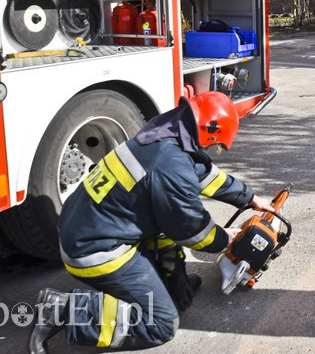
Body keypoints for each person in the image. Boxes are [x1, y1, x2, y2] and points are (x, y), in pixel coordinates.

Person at [28, 92, 274, 354]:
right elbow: (193, 231)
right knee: (161, 324)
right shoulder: (170, 165)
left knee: (165, 229)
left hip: (86, 229)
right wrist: (228, 238)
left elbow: (203, 174)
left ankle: (172, 283)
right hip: (96, 251)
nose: (212, 152)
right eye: (215, 146)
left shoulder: (163, 137)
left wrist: (249, 198)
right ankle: (63, 310)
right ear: (208, 130)